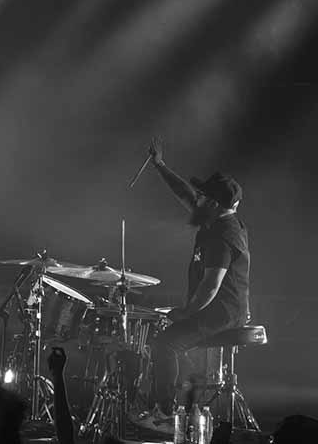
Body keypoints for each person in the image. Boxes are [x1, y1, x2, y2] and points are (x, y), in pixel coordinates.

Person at [135, 137, 250, 434]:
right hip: (216, 307)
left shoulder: (223, 236)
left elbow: (211, 286)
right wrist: (160, 165)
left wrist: (185, 313)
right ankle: (182, 404)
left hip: (223, 312)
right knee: (167, 338)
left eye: (201, 196)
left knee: (164, 344)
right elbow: (184, 193)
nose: (195, 199)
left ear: (213, 203)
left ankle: (166, 415)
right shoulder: (214, 218)